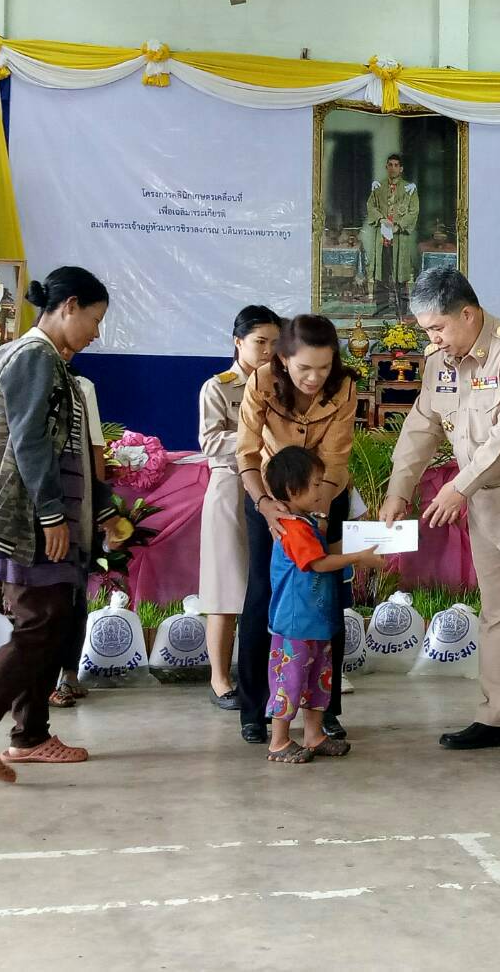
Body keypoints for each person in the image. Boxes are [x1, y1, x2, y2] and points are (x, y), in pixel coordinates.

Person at [0, 267, 129, 784]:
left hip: (52, 519)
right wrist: (51, 515)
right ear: (68, 307)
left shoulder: (52, 363)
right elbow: (30, 443)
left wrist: (101, 510)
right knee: (38, 626)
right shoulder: (33, 357)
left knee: (51, 626)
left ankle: (31, 735)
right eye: (94, 318)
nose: (95, 332)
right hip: (31, 521)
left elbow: (68, 453)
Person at [380, 268, 500, 767]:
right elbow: (421, 427)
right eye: (428, 331)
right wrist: (398, 492)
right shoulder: (441, 362)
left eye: (437, 329)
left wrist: (456, 487)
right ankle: (499, 716)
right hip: (484, 501)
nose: (433, 340)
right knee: (498, 613)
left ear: (467, 314)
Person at [236, 314, 358, 746]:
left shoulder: (343, 387)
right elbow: (247, 455)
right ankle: (255, 711)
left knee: (327, 596)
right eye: (304, 367)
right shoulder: (260, 384)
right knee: (263, 596)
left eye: (323, 367)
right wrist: (269, 508)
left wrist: (319, 515)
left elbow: (336, 459)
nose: (314, 377)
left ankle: (324, 716)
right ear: (283, 358)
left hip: (323, 494)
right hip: (269, 496)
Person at [261, 446, 383, 764]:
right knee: (290, 679)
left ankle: (314, 735)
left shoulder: (308, 523)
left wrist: (373, 541)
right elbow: (318, 562)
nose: (320, 490)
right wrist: (359, 557)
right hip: (295, 624)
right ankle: (278, 741)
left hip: (316, 621)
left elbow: (328, 549)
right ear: (291, 489)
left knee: (318, 679)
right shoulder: (292, 528)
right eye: (315, 483)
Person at [198, 305, 281, 712]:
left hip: (273, 491)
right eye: (259, 342)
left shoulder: (282, 385)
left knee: (264, 584)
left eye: (274, 343)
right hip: (230, 488)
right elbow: (210, 441)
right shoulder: (220, 387)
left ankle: (261, 674)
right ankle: (220, 679)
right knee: (226, 587)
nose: (268, 351)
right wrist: (257, 442)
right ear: (238, 342)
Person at [49, 370, 107, 710]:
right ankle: (41, 679)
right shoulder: (27, 378)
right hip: (41, 510)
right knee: (47, 600)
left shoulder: (83, 387)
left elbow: (95, 447)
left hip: (77, 507)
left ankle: (68, 674)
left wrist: (98, 505)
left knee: (75, 594)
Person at [361, 153, 420, 309]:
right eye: (390, 165)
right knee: (381, 273)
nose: (393, 168)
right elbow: (371, 206)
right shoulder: (378, 188)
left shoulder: (409, 189)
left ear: (401, 169)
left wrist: (398, 225)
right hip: (382, 238)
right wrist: (381, 219)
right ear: (386, 167)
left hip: (400, 237)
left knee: (401, 273)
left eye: (396, 165)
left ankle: (402, 309)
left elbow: (413, 211)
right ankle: (381, 307)